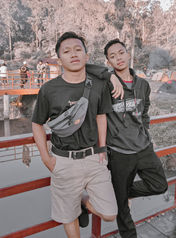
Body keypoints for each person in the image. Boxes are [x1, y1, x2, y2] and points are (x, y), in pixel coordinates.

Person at [32, 32, 118, 238]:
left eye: (78, 49)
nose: (73, 54)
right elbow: (37, 124)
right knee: (68, 217)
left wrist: (102, 149)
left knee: (110, 214)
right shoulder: (49, 89)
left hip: (93, 158)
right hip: (63, 161)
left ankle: (82, 203)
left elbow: (101, 116)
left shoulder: (98, 86)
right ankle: (74, 206)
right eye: (67, 51)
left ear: (87, 56)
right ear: (59, 59)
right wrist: (46, 158)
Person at [102, 39, 168, 238]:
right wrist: (108, 76)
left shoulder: (143, 85)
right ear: (108, 61)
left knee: (160, 185)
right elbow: (83, 69)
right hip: (119, 152)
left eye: (121, 53)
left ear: (128, 54)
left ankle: (121, 192)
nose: (118, 58)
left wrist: (145, 132)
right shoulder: (105, 85)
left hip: (143, 148)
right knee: (122, 210)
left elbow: (145, 111)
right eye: (112, 56)